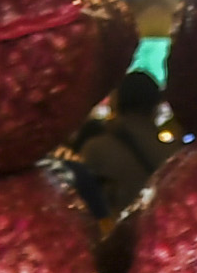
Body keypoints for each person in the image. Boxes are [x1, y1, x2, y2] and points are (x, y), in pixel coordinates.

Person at [69, 67, 168, 218]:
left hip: (120, 235)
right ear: (155, 105)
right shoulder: (172, 152)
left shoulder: (96, 149)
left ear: (116, 101)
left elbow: (82, 207)